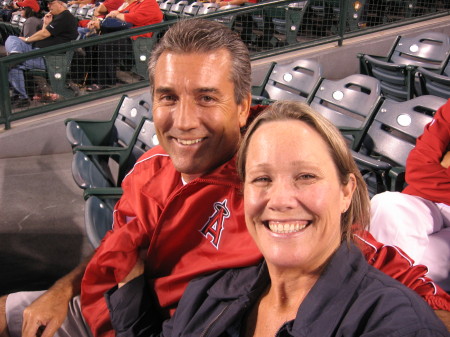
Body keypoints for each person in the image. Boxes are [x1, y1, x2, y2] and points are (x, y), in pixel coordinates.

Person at [0, 19, 449, 337]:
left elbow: (383, 273)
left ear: (240, 106)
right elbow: (115, 252)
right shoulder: (150, 167)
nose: (184, 121)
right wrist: (63, 289)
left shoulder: (274, 188)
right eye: (168, 97)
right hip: (99, 308)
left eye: (207, 98)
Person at [105, 100, 449, 336]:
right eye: (262, 179)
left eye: (306, 176)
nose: (281, 200)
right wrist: (129, 287)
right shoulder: (207, 292)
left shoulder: (393, 323)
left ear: (346, 191)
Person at [370, 98, 450, 292]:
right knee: (387, 204)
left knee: (402, 269)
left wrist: (439, 170)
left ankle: (376, 306)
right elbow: (417, 168)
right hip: (427, 201)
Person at [5, 0, 78, 108]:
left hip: (49, 58)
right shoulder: (57, 17)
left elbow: (44, 34)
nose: (48, 6)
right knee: (12, 39)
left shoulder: (66, 16)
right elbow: (46, 35)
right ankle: (15, 56)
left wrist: (27, 39)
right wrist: (45, 24)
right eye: (47, 4)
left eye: (51, 3)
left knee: (13, 64)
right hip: (38, 52)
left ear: (61, 3)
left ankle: (21, 97)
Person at [85, 0, 162, 91]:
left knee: (106, 45)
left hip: (138, 39)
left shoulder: (150, 3)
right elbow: (123, 12)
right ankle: (92, 79)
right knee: (94, 42)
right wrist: (113, 15)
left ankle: (104, 82)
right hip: (127, 35)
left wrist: (117, 15)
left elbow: (135, 18)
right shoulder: (137, 3)